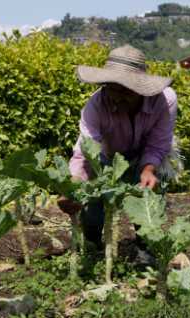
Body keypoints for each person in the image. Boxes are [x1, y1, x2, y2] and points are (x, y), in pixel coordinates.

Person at [57, 44, 179, 261]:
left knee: (147, 196)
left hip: (146, 154)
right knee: (93, 204)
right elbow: (86, 151)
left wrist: (148, 169)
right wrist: (73, 186)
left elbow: (159, 142)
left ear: (142, 88)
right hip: (105, 156)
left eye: (125, 90)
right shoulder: (95, 106)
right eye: (112, 88)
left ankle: (146, 249)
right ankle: (92, 247)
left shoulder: (165, 100)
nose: (117, 96)